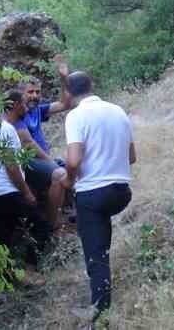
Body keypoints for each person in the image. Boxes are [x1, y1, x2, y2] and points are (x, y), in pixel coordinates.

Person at [61, 71, 137, 325]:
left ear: (69, 94)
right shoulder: (118, 111)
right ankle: (102, 297)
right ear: (93, 85)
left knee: (96, 255)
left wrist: (69, 180)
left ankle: (101, 311)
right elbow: (132, 157)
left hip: (92, 194)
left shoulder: (76, 116)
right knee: (100, 238)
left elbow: (73, 160)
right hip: (121, 191)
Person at [0, 89, 51, 275]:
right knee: (42, 225)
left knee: (2, 239)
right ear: (14, 105)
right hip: (7, 192)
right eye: (22, 102)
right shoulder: (6, 130)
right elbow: (11, 165)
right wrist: (27, 192)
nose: (26, 106)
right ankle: (30, 271)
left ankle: (0, 282)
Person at [15, 56, 72, 231]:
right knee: (60, 174)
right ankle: (52, 224)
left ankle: (70, 213)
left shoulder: (38, 110)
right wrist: (50, 161)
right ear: (21, 94)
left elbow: (65, 103)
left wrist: (63, 78)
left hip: (42, 160)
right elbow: (28, 144)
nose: (35, 96)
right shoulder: (17, 114)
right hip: (27, 161)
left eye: (37, 92)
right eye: (30, 92)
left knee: (75, 168)